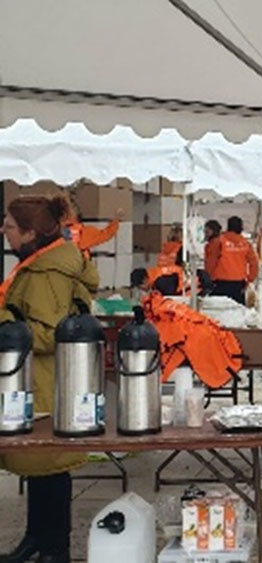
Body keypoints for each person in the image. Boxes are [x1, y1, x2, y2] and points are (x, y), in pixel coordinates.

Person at [0, 195, 99, 563]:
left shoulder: (48, 274)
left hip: (46, 382)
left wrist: (5, 326)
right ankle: (37, 540)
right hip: (43, 381)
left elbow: (50, 333)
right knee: (42, 467)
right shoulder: (43, 264)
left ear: (30, 233)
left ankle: (54, 548)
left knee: (50, 467)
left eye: (10, 225)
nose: (3, 230)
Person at [206, 216, 259, 305]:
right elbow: (254, 263)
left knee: (218, 309)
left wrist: (208, 277)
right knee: (238, 309)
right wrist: (250, 279)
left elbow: (211, 261)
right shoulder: (245, 243)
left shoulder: (219, 241)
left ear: (228, 226)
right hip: (239, 283)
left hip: (220, 282)